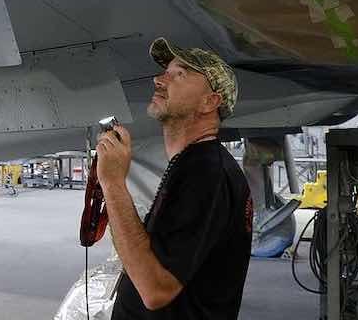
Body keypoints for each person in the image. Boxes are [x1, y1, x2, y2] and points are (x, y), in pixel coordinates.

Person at [97, 38, 252, 319]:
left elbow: (155, 290)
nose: (159, 79)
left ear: (210, 101)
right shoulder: (195, 166)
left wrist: (113, 183)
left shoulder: (206, 173)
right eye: (164, 71)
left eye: (179, 74)